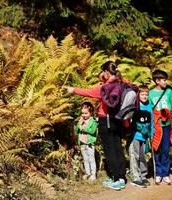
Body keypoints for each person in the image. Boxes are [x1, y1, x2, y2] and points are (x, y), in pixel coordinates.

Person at [65, 61, 126, 191]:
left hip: (106, 121)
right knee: (118, 148)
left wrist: (73, 90)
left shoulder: (105, 88)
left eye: (103, 72)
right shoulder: (121, 83)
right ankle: (121, 178)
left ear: (106, 72)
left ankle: (116, 179)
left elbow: (89, 92)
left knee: (110, 151)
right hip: (118, 121)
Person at [149, 69, 172, 185]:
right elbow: (149, 111)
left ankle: (165, 174)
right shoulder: (150, 94)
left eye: (166, 80)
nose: (166, 82)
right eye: (164, 80)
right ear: (157, 81)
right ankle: (159, 173)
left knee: (165, 150)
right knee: (157, 149)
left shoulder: (169, 92)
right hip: (156, 126)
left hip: (167, 126)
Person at [129, 84, 154, 188]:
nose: (144, 96)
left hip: (145, 136)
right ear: (138, 95)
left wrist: (151, 133)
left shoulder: (149, 106)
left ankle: (143, 175)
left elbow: (151, 121)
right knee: (135, 156)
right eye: (142, 94)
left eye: (146, 94)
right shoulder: (135, 106)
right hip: (135, 135)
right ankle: (135, 177)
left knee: (143, 156)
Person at [74, 102, 98, 181]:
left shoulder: (93, 121)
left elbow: (93, 131)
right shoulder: (81, 121)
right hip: (82, 143)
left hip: (89, 143)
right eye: (82, 113)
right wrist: (78, 125)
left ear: (90, 113)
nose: (84, 115)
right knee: (85, 159)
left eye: (86, 113)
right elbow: (76, 131)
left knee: (91, 159)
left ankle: (93, 174)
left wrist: (84, 128)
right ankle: (87, 173)